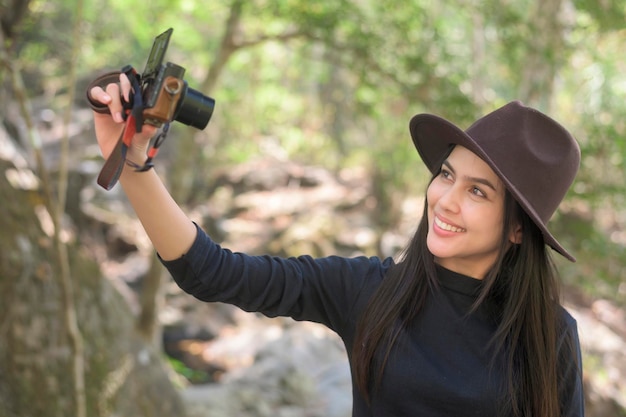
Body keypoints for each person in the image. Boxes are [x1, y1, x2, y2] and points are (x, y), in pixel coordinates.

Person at [89, 74, 585, 417]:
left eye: (478, 191)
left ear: (519, 228)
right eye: (446, 175)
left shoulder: (549, 337)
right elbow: (212, 272)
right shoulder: (372, 291)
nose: (445, 200)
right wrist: (133, 164)